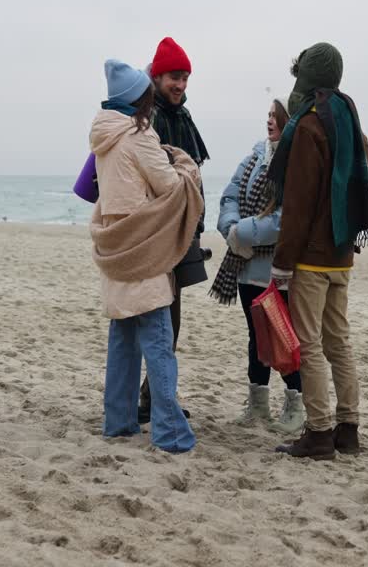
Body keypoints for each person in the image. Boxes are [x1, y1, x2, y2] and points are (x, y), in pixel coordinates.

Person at [268, 42, 368, 461]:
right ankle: (348, 429)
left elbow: (298, 204)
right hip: (343, 252)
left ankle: (317, 433)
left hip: (311, 257)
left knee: (309, 345)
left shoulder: (309, 127)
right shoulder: (352, 124)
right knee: (339, 341)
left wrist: (282, 263)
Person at [89, 59, 202, 453]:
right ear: (139, 98)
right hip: (144, 247)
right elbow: (170, 187)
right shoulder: (138, 137)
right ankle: (171, 433)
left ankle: (118, 423)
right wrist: (185, 165)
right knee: (157, 338)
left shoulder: (103, 136)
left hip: (116, 245)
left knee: (122, 338)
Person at [211, 98, 305, 434]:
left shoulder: (295, 162)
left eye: (275, 115)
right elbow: (230, 196)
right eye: (266, 114)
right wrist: (231, 230)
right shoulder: (255, 155)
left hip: (277, 269)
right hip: (246, 266)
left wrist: (242, 234)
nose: (269, 120)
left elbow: (285, 219)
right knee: (256, 338)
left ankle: (297, 403)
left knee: (282, 337)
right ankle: (257, 405)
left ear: (288, 121)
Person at [138, 36, 210, 424]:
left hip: (184, 234)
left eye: (184, 77)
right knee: (157, 319)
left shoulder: (182, 116)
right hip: (159, 234)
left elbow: (194, 174)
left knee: (171, 321)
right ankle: (154, 400)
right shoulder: (149, 116)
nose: (180, 85)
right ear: (157, 76)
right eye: (173, 77)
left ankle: (155, 396)